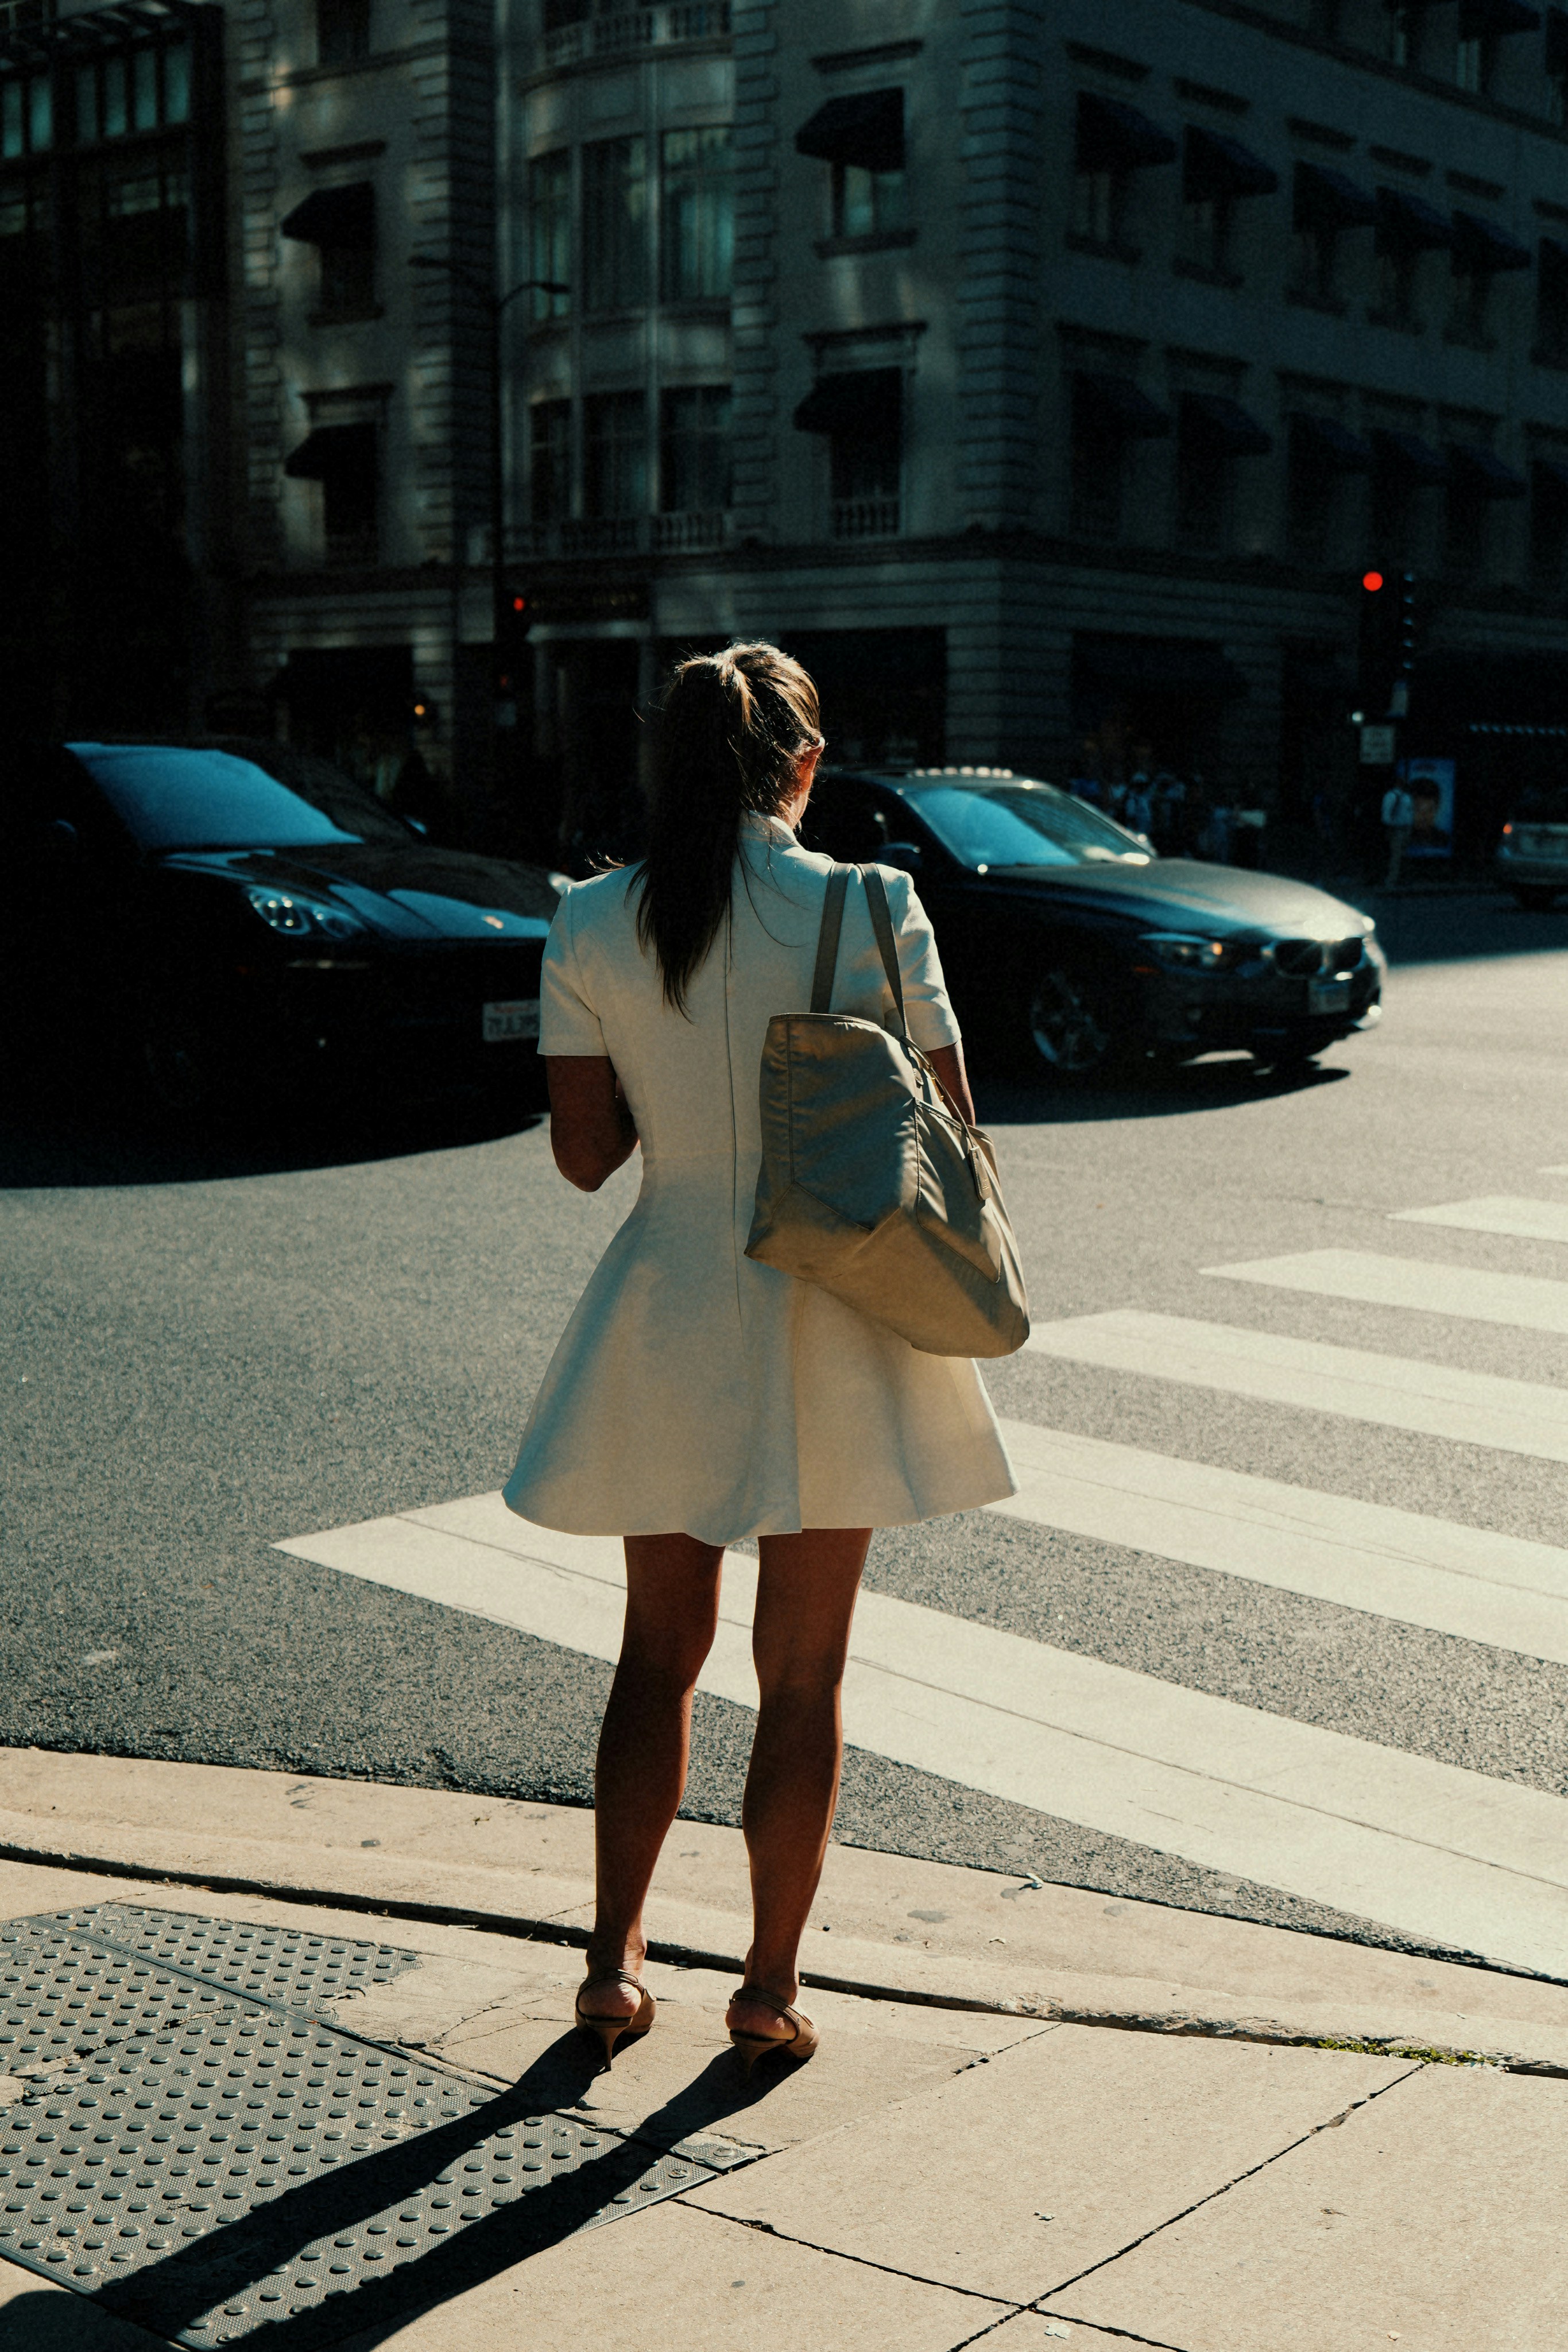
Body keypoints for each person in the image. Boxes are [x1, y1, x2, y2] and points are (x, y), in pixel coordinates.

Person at [505, 642, 1017, 2076]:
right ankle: (767, 1985)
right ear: (802, 764)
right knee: (805, 1672)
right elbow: (956, 1125)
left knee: (654, 1656)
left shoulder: (593, 917)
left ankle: (610, 1966)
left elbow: (584, 1159)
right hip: (834, 1304)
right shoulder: (869, 901)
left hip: (667, 1303)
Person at [1381, 778, 1415, 886]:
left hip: (1405, 829)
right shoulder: (1391, 796)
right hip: (1396, 829)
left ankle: (1400, 878)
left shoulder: (1406, 797)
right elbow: (1386, 815)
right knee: (1395, 856)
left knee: (1402, 855)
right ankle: (1392, 880)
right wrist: (1391, 827)